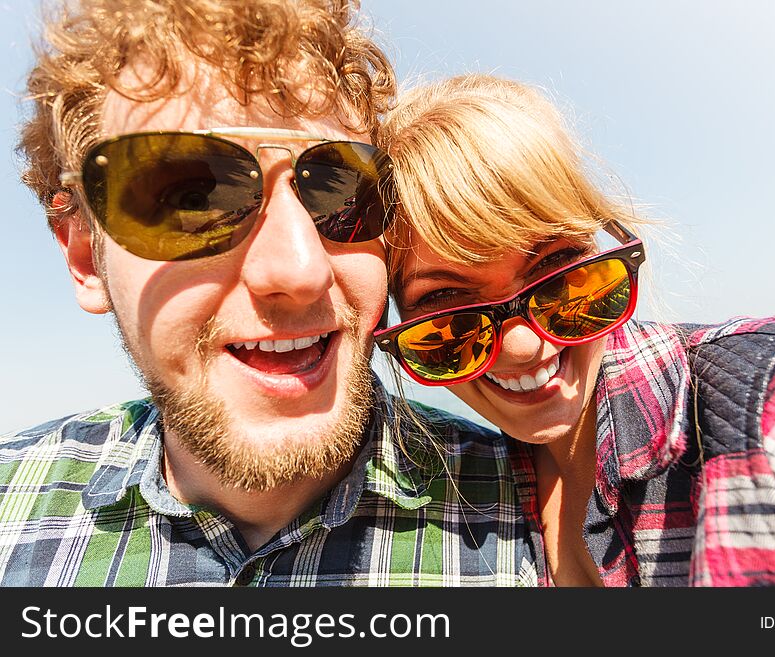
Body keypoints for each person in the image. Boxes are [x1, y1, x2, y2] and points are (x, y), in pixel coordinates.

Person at [0, 2, 546, 587]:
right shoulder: (14, 506)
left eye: (340, 193)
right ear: (85, 256)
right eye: (193, 199)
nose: (300, 268)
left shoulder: (546, 516)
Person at [376, 73, 775, 587]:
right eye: (448, 308)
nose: (523, 346)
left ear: (608, 249)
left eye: (556, 273)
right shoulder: (467, 485)